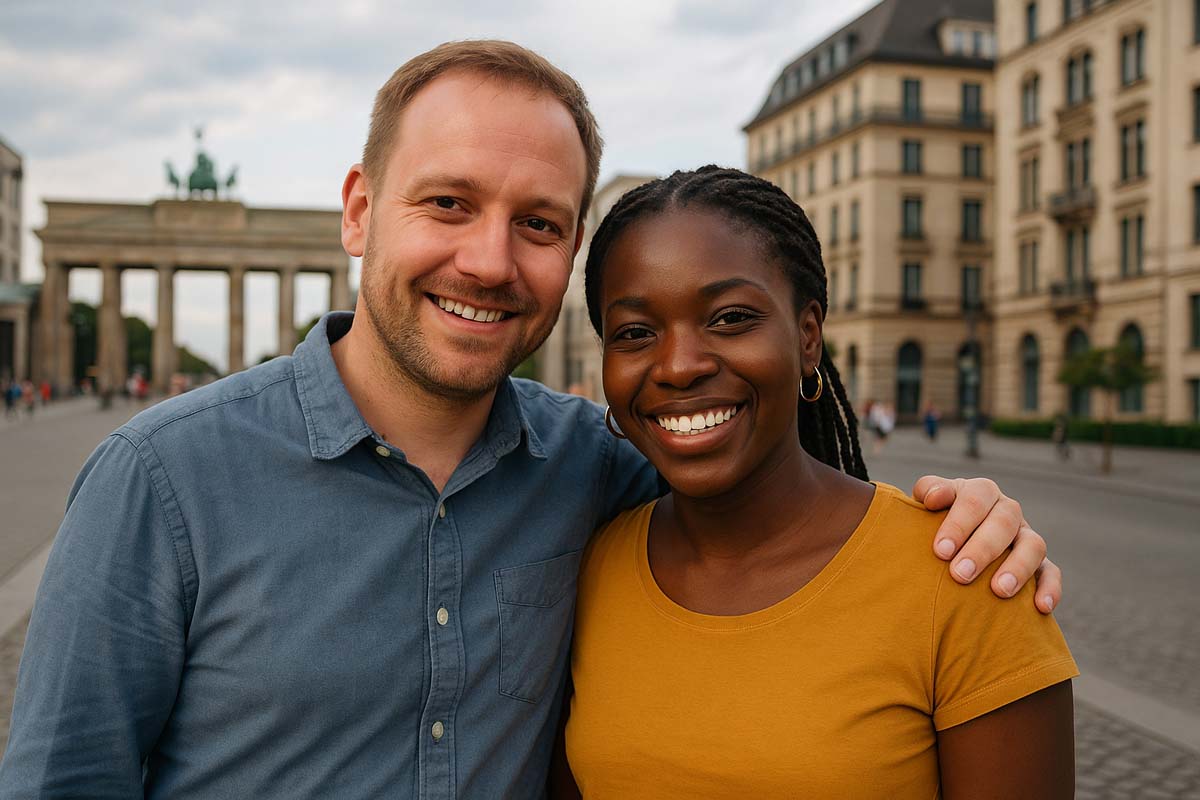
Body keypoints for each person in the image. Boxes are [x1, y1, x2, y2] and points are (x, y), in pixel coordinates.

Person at [0, 42, 1061, 798]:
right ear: (360, 212)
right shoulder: (161, 480)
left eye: (539, 223)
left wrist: (963, 519)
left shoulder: (600, 465)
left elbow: (772, 503)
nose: (490, 260)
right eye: (448, 202)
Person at [558, 167, 1076, 797]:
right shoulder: (588, 569)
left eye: (729, 318)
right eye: (636, 333)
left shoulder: (968, 576)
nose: (678, 366)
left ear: (808, 337)